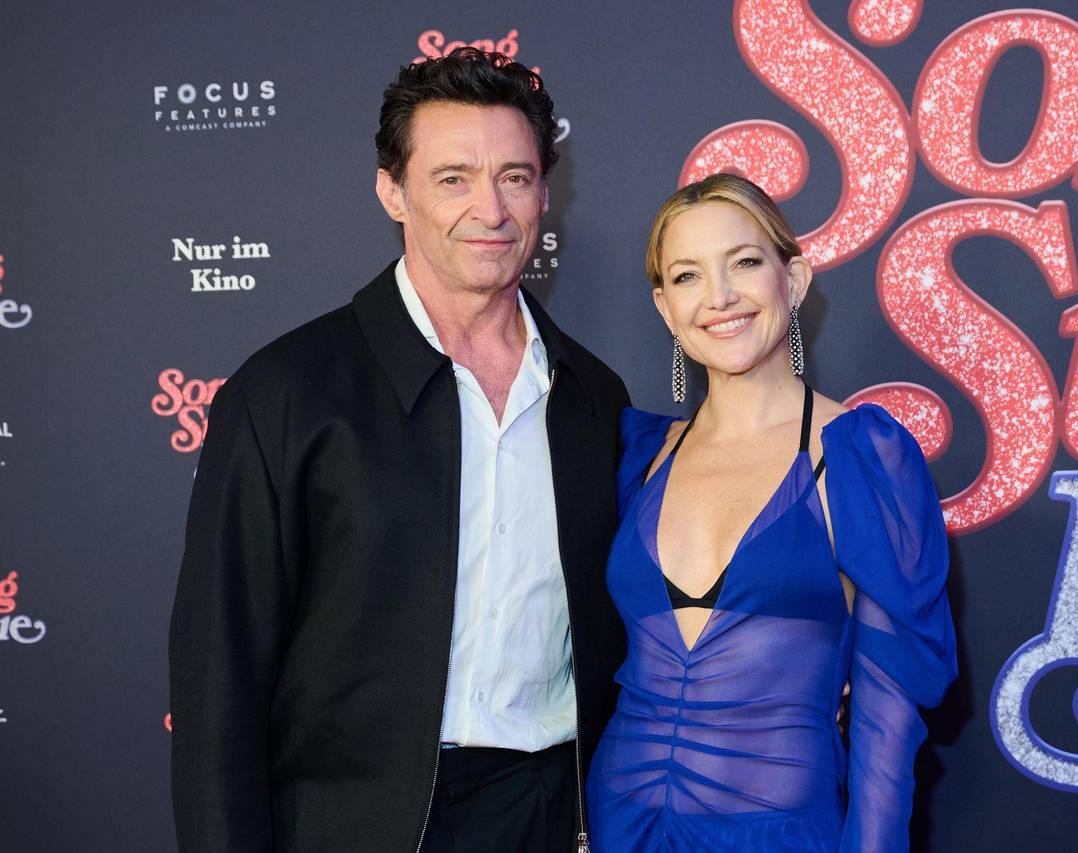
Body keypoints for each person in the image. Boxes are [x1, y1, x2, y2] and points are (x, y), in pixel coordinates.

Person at [169, 49, 629, 853]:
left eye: (515, 177)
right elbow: (219, 683)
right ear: (393, 191)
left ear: (545, 194)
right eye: (454, 177)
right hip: (350, 825)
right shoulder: (285, 395)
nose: (490, 209)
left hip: (550, 814)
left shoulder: (595, 398)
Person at [585, 173, 957, 851]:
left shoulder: (860, 455)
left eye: (745, 263)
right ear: (666, 308)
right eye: (688, 275)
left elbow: (888, 720)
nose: (720, 296)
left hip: (779, 831)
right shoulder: (639, 452)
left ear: (795, 279)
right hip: (621, 820)